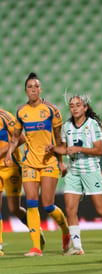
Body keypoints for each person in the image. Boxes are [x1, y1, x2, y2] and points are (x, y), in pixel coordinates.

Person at [46, 95, 102, 255]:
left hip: (91, 172)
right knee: (70, 209)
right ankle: (77, 247)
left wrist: (79, 149)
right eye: (72, 105)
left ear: (85, 108)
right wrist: (53, 148)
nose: (74, 108)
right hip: (74, 172)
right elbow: (65, 148)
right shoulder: (67, 126)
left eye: (78, 105)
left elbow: (99, 150)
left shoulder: (93, 125)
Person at [5, 72, 70, 257]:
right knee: (32, 203)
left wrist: (61, 162)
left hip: (48, 161)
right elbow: (16, 137)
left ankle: (65, 231)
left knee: (48, 204)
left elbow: (59, 139)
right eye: (30, 87)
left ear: (41, 89)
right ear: (26, 90)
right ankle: (36, 247)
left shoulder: (51, 110)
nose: (33, 89)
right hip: (29, 163)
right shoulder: (21, 111)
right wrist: (9, 154)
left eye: (36, 86)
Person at [0, 108, 46, 255]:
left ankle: (35, 229)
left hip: (10, 167)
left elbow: (21, 138)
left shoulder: (5, 116)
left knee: (14, 209)